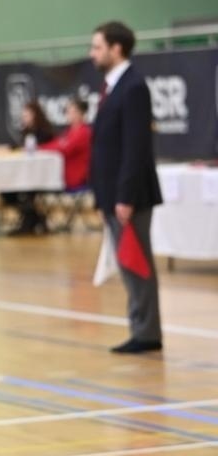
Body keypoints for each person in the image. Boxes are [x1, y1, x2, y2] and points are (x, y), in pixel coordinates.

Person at [89, 20, 163, 354]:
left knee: (137, 263)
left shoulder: (133, 87)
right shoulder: (110, 87)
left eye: (98, 47)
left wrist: (125, 196)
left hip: (128, 195)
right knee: (126, 264)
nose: (93, 53)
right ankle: (139, 326)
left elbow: (136, 147)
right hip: (112, 193)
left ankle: (147, 332)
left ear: (117, 48)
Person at [3, 100, 57, 235]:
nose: (24, 117)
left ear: (35, 115)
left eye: (27, 114)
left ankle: (30, 220)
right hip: (24, 174)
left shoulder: (45, 132)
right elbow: (20, 147)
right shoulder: (25, 131)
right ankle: (35, 217)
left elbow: (47, 149)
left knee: (27, 192)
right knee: (6, 190)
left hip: (41, 174)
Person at [43, 96, 92, 190]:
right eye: (67, 112)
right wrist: (40, 148)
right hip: (65, 179)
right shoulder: (70, 131)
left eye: (72, 112)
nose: (68, 115)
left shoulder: (83, 132)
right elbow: (57, 144)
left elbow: (64, 148)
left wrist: (40, 148)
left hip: (76, 181)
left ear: (81, 113)